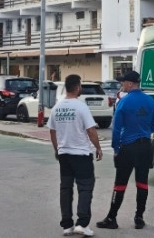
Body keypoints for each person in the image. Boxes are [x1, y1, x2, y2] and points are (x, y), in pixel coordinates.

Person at [96, 71, 154, 231]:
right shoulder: (150, 101)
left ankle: (111, 218)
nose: (121, 84)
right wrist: (144, 131)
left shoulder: (123, 102)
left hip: (128, 147)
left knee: (120, 183)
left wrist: (116, 148)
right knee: (142, 182)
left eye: (123, 82)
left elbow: (116, 129)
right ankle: (139, 218)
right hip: (145, 146)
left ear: (130, 84)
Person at [49, 74, 103, 237]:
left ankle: (67, 225)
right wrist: (98, 148)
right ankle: (82, 224)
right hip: (81, 154)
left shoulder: (57, 107)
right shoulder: (81, 107)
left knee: (66, 189)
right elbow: (91, 130)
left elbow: (52, 131)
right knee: (85, 188)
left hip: (64, 155)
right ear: (77, 87)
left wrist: (57, 149)